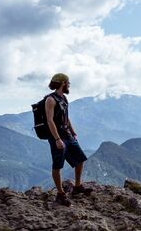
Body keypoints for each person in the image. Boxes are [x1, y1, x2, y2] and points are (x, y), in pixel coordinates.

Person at [45, 73, 92, 206]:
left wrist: (73, 131)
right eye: (68, 82)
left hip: (67, 135)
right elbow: (50, 121)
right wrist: (57, 139)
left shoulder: (63, 98)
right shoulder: (50, 100)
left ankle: (77, 187)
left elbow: (66, 117)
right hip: (57, 137)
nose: (69, 85)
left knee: (80, 159)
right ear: (63, 83)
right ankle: (60, 194)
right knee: (57, 165)